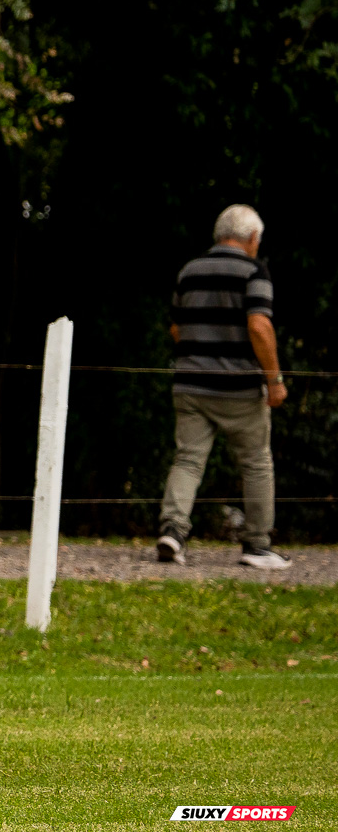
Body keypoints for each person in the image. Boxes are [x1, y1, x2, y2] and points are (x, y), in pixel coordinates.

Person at [160, 204, 291, 569]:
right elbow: (259, 328)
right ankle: (257, 545)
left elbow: (176, 328)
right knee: (256, 463)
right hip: (240, 390)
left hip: (190, 385)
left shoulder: (189, 271)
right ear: (252, 238)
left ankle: (173, 531)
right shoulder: (255, 271)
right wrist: (275, 380)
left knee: (187, 459)